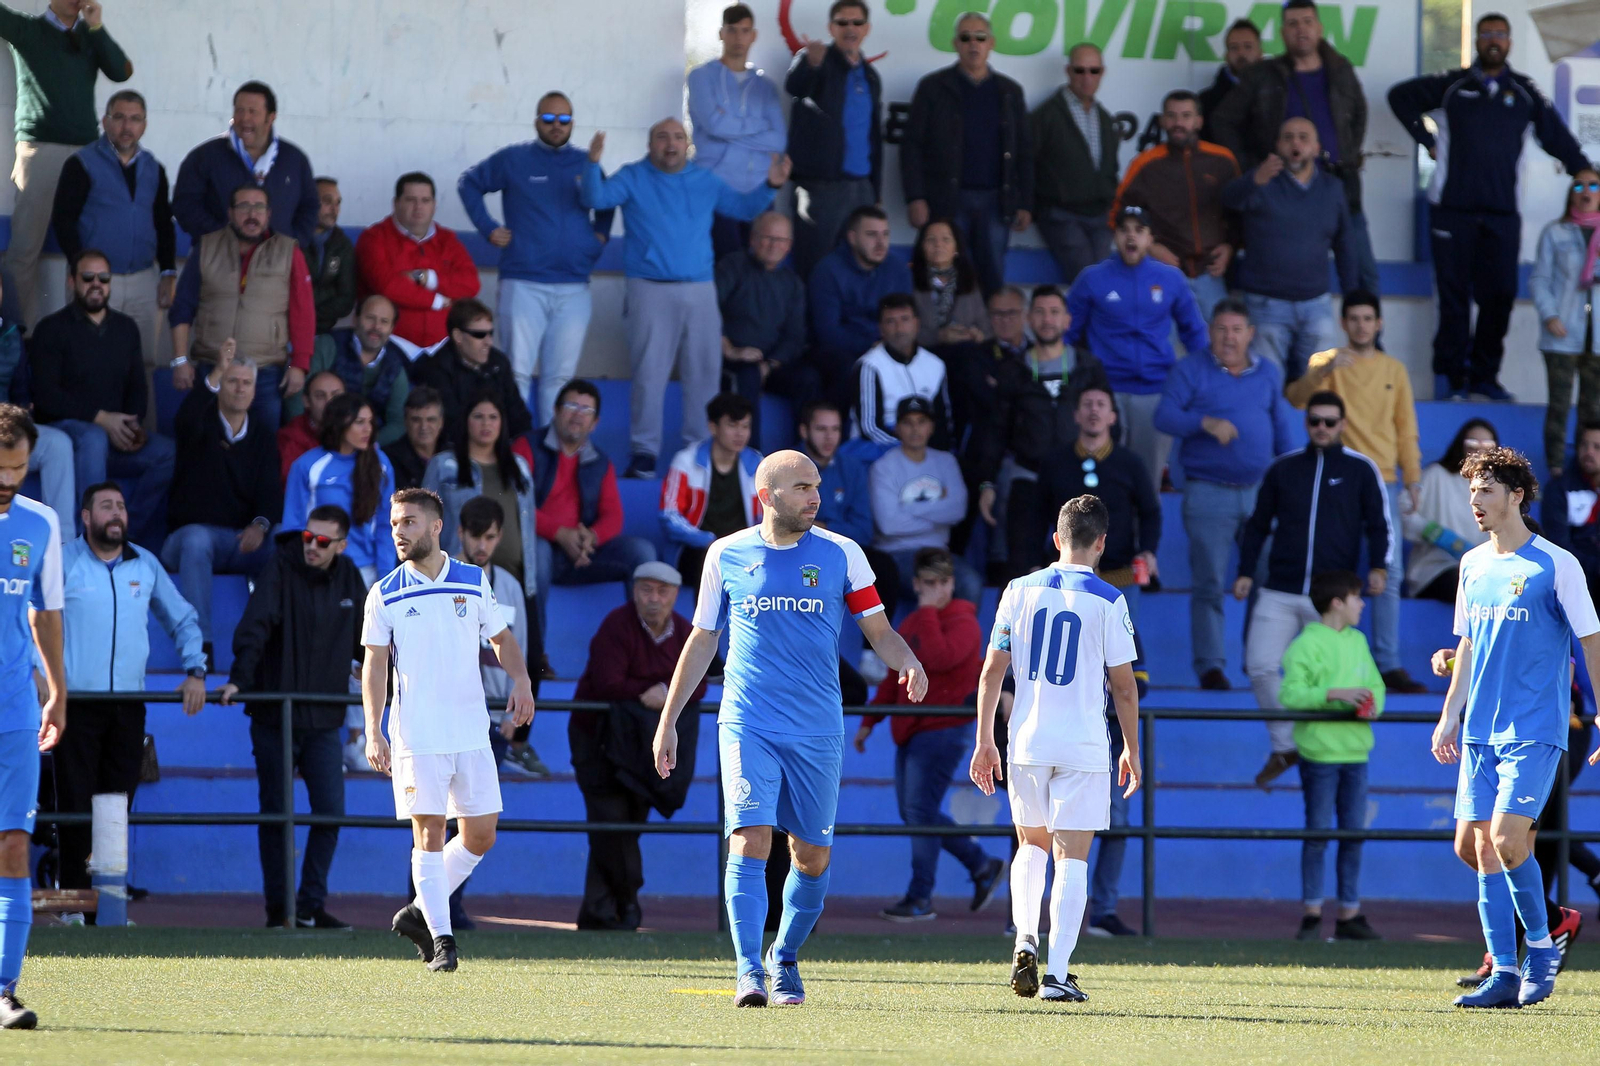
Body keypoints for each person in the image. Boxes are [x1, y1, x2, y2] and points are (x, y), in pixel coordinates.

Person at [650, 447, 927, 1007]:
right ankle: (749, 969)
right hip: (747, 720)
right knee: (750, 839)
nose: (815, 496)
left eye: (817, 486)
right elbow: (703, 639)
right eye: (802, 487)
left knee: (811, 855)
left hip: (818, 728)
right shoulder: (725, 554)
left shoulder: (843, 553)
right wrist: (669, 720)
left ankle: (786, 956)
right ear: (767, 495)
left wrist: (909, 660)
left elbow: (877, 629)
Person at [1432, 447, 1600, 1008]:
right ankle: (1503, 972)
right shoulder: (1472, 565)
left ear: (1517, 496)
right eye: (1472, 491)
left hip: (1535, 726)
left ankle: (1542, 946)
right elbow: (1470, 643)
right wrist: (1449, 714)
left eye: (1486, 491)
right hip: (1480, 729)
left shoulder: (1556, 564)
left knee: (1505, 841)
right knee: (1472, 848)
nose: (1475, 502)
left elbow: (1592, 642)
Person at [969, 494, 1142, 1003]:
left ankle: (1024, 937)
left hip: (1026, 738)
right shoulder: (1109, 599)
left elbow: (991, 673)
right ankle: (1058, 973)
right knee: (1072, 857)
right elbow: (1125, 687)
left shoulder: (1018, 590)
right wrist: (1131, 747)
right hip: (1084, 743)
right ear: (1102, 543)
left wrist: (985, 741)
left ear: (1056, 539)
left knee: (1031, 846)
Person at [363, 487, 536, 973]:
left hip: (471, 732)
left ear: (437, 527)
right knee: (430, 833)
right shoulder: (385, 593)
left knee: (482, 835)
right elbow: (374, 668)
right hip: (417, 735)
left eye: (410, 522)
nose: (400, 531)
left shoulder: (472, 579)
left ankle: (421, 909)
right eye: (395, 523)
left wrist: (521, 681)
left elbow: (501, 638)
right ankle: (442, 940)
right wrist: (373, 730)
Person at [1389, 14, 1591, 401]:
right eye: (1487, 34)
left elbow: (1559, 139)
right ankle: (1451, 380)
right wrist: (1424, 138)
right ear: (1476, 41)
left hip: (1501, 214)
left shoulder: (1525, 94)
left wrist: (1583, 170)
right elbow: (1399, 97)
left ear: (1510, 42)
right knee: (1453, 298)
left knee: (1499, 296)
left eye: (1500, 34)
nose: (1493, 40)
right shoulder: (1451, 86)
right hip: (1452, 211)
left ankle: (1485, 379)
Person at [581, 118, 787, 478]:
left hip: (700, 289)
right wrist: (593, 163)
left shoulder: (703, 180)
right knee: (649, 374)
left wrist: (771, 184)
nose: (671, 144)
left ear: (687, 144)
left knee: (704, 373)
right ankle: (644, 452)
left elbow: (744, 209)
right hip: (649, 287)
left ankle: (698, 452)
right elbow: (595, 197)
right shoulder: (633, 176)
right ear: (650, 144)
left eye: (678, 137)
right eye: (662, 137)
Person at [219, 502, 366, 929]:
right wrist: (237, 680)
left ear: (340, 544)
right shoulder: (280, 568)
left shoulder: (351, 578)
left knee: (330, 814)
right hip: (273, 719)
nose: (312, 546)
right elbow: (255, 626)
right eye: (307, 537)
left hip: (324, 722)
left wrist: (398, 677)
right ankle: (279, 911)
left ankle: (309, 907)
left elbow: (368, 644)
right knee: (277, 817)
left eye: (322, 541)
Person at [58, 481, 204, 909]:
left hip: (127, 707)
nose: (116, 513)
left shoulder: (146, 563)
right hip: (75, 705)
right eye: (106, 506)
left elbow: (184, 619)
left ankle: (108, 907)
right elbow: (33, 620)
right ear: (86, 517)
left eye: (121, 505)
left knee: (115, 807)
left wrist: (195, 669)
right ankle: (72, 907)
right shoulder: (61, 561)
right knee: (74, 807)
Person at [1235, 392, 1390, 787]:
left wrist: (1378, 566)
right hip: (1280, 586)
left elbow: (1379, 524)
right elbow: (1257, 524)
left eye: (1329, 421)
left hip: (1332, 595)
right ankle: (1287, 745)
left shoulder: (1361, 468)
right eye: (1314, 421)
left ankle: (1320, 752)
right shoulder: (1283, 468)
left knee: (1335, 673)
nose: (1322, 428)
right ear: (1306, 424)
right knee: (1260, 665)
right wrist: (1246, 571)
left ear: (1343, 424)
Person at [1286, 292, 1425, 693]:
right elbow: (1297, 398)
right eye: (1354, 318)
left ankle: (1388, 662)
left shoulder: (1394, 369)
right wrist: (1324, 368)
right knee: (1336, 566)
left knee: (1390, 570)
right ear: (1344, 323)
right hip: (1335, 474)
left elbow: (1406, 428)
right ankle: (1327, 656)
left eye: (1369, 318)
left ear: (1379, 323)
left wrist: (1412, 476)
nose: (1362, 325)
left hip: (1383, 476)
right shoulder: (1325, 363)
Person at [857, 547, 1003, 921]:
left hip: (943, 730)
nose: (933, 590)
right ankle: (980, 866)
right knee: (916, 812)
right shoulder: (910, 624)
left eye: (941, 583)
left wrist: (925, 611)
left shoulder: (965, 623)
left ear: (952, 584)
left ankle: (923, 894)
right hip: (912, 730)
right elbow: (895, 676)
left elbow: (937, 659)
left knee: (919, 811)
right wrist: (869, 722)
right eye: (927, 583)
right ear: (917, 583)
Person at [1155, 299, 1295, 690]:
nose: (1229, 337)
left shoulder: (1268, 372)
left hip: (1261, 494)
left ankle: (1258, 660)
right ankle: (1211, 667)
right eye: (1221, 329)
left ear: (1251, 334)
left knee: (1268, 581)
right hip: (1207, 492)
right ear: (1210, 333)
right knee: (1209, 582)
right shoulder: (1190, 369)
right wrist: (1204, 422)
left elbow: (1282, 431)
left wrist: (1290, 480)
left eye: (1237, 329)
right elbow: (1163, 416)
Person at [459, 90, 615, 420]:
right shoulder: (514, 159)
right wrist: (488, 227)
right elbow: (468, 183)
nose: (556, 125)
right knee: (515, 372)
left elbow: (605, 201)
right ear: (536, 121)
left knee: (559, 379)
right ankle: (513, 450)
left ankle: (549, 452)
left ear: (572, 123)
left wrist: (597, 239)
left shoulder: (585, 163)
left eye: (563, 119)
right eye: (548, 118)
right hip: (523, 281)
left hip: (574, 287)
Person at [571, 560, 706, 930]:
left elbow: (703, 679)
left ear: (676, 596)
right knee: (611, 825)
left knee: (624, 827)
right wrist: (653, 691)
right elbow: (606, 681)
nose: (654, 598)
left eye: (662, 591)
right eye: (646, 589)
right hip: (597, 743)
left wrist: (666, 692)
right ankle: (628, 904)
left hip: (641, 748)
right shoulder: (616, 626)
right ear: (634, 591)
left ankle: (598, 913)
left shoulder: (683, 630)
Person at [1208, 0, 1374, 292]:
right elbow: (1223, 120)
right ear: (1283, 33)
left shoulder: (1340, 68)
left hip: (1339, 184)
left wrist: (1347, 153)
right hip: (1284, 191)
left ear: (1320, 28)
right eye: (1293, 23)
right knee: (1283, 275)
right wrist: (1250, 168)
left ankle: (1368, 339)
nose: (1301, 30)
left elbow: (1359, 112)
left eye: (1307, 22)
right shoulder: (1264, 74)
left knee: (1362, 273)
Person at [0, 0, 132, 330]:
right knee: (24, 249)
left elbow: (121, 71)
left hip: (86, 153)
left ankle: (82, 332)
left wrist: (96, 26)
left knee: (86, 248)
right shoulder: (29, 30)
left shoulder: (90, 35)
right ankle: (16, 336)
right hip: (40, 150)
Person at [29, 249, 174, 545]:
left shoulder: (126, 328)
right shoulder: (51, 329)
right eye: (88, 277)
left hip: (113, 438)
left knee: (166, 453)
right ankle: (89, 540)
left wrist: (131, 425)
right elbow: (45, 397)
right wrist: (101, 418)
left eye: (104, 278)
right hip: (68, 436)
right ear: (71, 281)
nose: (97, 284)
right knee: (93, 437)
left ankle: (123, 536)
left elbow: (137, 387)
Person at [1066, 205, 1207, 495]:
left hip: (1155, 394)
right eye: (1124, 230)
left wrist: (1207, 379)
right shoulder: (1092, 279)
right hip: (1106, 393)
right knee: (1099, 483)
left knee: (1147, 482)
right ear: (1114, 236)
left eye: (1139, 231)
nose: (1131, 237)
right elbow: (1066, 334)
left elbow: (1194, 333)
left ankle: (1143, 542)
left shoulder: (1171, 279)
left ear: (1150, 238)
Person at [0, 405, 65, 1030]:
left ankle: (3, 991)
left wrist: (58, 692)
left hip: (15, 712)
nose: (7, 481)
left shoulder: (40, 523)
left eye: (17, 470)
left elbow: (46, 615)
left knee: (13, 845)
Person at [1278, 570, 1384, 942]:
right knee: (1319, 833)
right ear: (1337, 602)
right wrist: (1334, 694)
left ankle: (1349, 914)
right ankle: (1311, 914)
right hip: (1319, 753)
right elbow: (1290, 695)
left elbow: (1377, 688)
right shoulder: (1304, 645)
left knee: (1353, 834)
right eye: (1356, 597)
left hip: (1356, 752)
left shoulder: (1358, 641)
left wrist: (1371, 705)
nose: (1362, 603)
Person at [973, 286, 1108, 576]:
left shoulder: (1088, 367)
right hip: (1027, 479)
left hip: (1077, 481)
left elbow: (1111, 424)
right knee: (1021, 570)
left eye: (1055, 312)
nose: (1048, 320)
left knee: (1081, 571)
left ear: (1068, 320)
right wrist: (987, 483)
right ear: (1029, 319)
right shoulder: (1012, 370)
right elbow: (995, 432)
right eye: (1040, 312)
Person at [50, 89, 176, 392]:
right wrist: (81, 267)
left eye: (134, 119)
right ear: (105, 121)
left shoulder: (153, 168)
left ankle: (136, 433)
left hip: (143, 280)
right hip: (97, 281)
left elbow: (162, 222)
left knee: (141, 364)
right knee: (86, 360)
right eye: (119, 117)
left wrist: (168, 271)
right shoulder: (82, 163)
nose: (126, 126)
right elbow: (63, 219)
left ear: (144, 125)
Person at [900, 10, 1032, 296]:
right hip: (948, 199)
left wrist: (1025, 203)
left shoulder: (1009, 92)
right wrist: (915, 197)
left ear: (992, 43)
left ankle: (989, 339)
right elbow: (911, 146)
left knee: (993, 277)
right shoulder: (933, 87)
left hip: (996, 202)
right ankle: (947, 337)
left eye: (980, 38)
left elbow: (1023, 151)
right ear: (955, 43)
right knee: (945, 274)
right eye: (966, 38)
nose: (974, 44)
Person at [166, 184, 316, 431]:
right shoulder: (206, 248)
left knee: (264, 445)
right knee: (206, 441)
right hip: (213, 367)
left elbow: (303, 313)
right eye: (244, 207)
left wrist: (299, 365)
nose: (252, 214)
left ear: (269, 215)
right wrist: (180, 360)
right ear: (230, 213)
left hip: (265, 373)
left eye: (259, 207)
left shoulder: (289, 251)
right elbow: (182, 307)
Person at [1219, 118, 1357, 381]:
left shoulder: (1333, 189)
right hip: (1266, 304)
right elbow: (1227, 200)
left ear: (1316, 148)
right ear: (1278, 146)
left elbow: (1346, 245)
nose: (1296, 143)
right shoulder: (1261, 180)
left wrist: (1352, 297)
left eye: (1304, 137)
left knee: (1318, 386)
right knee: (1267, 383)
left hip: (1316, 303)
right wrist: (1253, 180)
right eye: (1288, 137)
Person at [162, 354, 281, 660]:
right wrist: (215, 370)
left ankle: (271, 644)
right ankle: (202, 646)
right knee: (196, 539)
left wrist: (260, 524)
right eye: (232, 381)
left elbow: (269, 495)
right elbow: (185, 416)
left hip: (239, 541)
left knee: (282, 542)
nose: (240, 389)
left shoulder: (264, 437)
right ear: (219, 387)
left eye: (247, 383)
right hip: (188, 540)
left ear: (255, 390)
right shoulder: (197, 425)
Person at [528, 379, 657, 633]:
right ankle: (535, 653)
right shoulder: (527, 447)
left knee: (642, 553)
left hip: (582, 553)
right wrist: (560, 534)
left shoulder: (600, 462)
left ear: (595, 423)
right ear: (555, 411)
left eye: (586, 410)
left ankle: (642, 649)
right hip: (540, 547)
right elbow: (516, 507)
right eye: (571, 406)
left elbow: (613, 516)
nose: (578, 415)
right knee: (538, 553)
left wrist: (591, 538)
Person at [1111, 90, 1239, 320]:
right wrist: (1149, 247)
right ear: (1162, 121)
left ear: (1199, 121)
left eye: (1186, 116)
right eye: (1171, 116)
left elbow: (1240, 214)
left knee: (1222, 349)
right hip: (1161, 272)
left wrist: (1231, 246)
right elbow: (1118, 216)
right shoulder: (1145, 164)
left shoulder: (1223, 160)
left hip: (1211, 273)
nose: (1178, 123)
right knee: (1160, 350)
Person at [1037, 385, 1160, 610]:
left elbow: (1150, 512)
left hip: (1119, 577)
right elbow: (1037, 515)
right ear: (1076, 415)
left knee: (1123, 643)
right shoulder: (1055, 462)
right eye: (1087, 404)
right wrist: (1033, 562)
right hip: (1065, 578)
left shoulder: (1130, 463)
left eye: (1101, 405)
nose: (1094, 410)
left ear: (1113, 417)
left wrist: (1148, 550)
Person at [784, 0, 881, 278]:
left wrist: (875, 190)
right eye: (842, 22)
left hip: (861, 188)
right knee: (815, 267)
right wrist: (812, 66)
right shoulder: (814, 58)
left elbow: (873, 134)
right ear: (831, 28)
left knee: (859, 270)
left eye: (856, 23)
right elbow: (795, 87)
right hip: (819, 188)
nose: (850, 28)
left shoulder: (871, 75)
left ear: (867, 28)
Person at [422, 396, 538, 626]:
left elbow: (529, 526)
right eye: (479, 417)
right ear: (466, 421)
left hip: (511, 581)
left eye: (493, 417)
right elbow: (424, 522)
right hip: (457, 582)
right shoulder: (443, 465)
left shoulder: (521, 467)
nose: (486, 424)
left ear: (503, 423)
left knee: (506, 656)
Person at [688, 4, 788, 260]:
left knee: (759, 271)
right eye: (732, 30)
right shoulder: (701, 77)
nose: (738, 38)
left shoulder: (765, 86)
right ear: (721, 33)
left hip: (760, 190)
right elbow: (713, 125)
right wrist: (758, 124)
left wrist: (729, 127)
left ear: (753, 35)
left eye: (745, 31)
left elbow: (778, 139)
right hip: (716, 189)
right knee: (723, 268)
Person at [172, 80, 318, 248]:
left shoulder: (294, 159)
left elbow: (310, 206)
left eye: (252, 112)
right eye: (239, 110)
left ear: (271, 118)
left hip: (276, 262)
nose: (244, 118)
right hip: (218, 260)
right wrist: (221, 239)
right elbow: (184, 204)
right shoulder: (204, 156)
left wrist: (293, 242)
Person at [453, 496, 538, 785]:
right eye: (476, 536)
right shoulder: (438, 583)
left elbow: (519, 649)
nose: (482, 546)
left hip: (494, 717)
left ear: (500, 536)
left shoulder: (511, 587)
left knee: (480, 819)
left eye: (489, 537)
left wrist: (510, 715)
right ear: (460, 532)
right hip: (448, 714)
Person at [870, 396, 980, 605]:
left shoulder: (946, 462)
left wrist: (907, 508)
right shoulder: (883, 468)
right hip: (897, 554)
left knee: (971, 584)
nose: (915, 429)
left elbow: (957, 510)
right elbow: (888, 525)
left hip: (939, 552)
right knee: (930, 585)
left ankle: (959, 639)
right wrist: (938, 513)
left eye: (922, 421)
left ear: (931, 427)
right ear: (897, 428)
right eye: (908, 422)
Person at [354, 172, 479, 350]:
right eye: (411, 200)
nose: (418, 207)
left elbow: (471, 284)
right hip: (390, 345)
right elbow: (387, 286)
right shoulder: (374, 238)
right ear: (396, 203)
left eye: (425, 200)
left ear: (434, 205)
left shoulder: (448, 240)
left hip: (442, 345)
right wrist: (438, 301)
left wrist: (428, 278)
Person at [282, 394, 398, 584]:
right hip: (319, 570)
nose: (367, 429)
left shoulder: (381, 464)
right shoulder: (307, 466)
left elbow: (386, 524)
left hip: (367, 571)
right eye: (359, 422)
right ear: (339, 424)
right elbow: (293, 526)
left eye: (370, 422)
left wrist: (385, 575)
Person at [1031, 43, 1119, 284]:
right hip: (1061, 216)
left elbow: (1110, 170)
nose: (1087, 77)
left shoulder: (1104, 118)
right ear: (1068, 71)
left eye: (1094, 71)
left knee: (1102, 281)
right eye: (1080, 70)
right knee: (1089, 281)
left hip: (1100, 217)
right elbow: (1026, 165)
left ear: (1102, 73)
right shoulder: (1046, 116)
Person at [797, 400, 894, 615]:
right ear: (804, 431)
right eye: (821, 429)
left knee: (884, 567)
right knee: (810, 573)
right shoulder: (789, 466)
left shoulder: (853, 467)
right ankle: (812, 646)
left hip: (841, 549)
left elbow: (863, 531)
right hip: (801, 551)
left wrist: (822, 526)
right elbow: (789, 525)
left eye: (835, 429)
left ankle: (871, 649)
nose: (829, 437)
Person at [1531, 169, 1600, 473]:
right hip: (1562, 333)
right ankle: (1557, 472)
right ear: (1571, 192)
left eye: (1593, 185)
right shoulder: (1555, 232)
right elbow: (1540, 280)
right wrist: (1550, 315)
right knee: (1559, 408)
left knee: (1593, 410)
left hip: (1596, 336)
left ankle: (1587, 474)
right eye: (1580, 185)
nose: (1586, 191)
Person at [808, 206, 913, 404]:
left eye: (885, 234)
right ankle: (841, 432)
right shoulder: (827, 271)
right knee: (850, 368)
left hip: (887, 344)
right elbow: (828, 333)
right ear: (852, 238)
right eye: (872, 235)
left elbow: (905, 318)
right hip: (842, 349)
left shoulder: (898, 269)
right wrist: (870, 346)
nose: (881, 243)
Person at [715, 211, 810, 419]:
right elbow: (708, 311)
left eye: (781, 240)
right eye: (768, 238)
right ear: (753, 238)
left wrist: (770, 364)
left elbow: (795, 335)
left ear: (789, 245)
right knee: (749, 376)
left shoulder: (792, 283)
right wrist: (730, 350)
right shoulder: (731, 266)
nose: (774, 245)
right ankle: (753, 451)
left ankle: (799, 450)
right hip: (732, 361)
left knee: (808, 378)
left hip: (771, 365)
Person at [660, 393, 761, 583]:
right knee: (711, 558)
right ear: (713, 427)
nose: (740, 433)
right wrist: (708, 541)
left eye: (745, 426)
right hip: (696, 549)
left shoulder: (758, 464)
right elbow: (669, 516)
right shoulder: (686, 461)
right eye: (732, 425)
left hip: (743, 550)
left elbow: (766, 517)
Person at [0, 275, 73, 533]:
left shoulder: (11, 334)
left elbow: (20, 392)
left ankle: (62, 545)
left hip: (6, 427)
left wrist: (18, 420)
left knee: (58, 445)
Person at [408, 298, 533, 448]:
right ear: (458, 336)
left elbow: (518, 413)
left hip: (500, 448)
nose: (488, 342)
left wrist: (523, 447)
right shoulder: (437, 370)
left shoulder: (498, 362)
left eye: (490, 334)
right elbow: (450, 425)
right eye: (480, 335)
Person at [289, 296, 408, 446]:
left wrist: (365, 443)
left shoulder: (396, 364)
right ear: (355, 319)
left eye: (384, 322)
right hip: (315, 440)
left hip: (369, 446)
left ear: (392, 328)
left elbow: (398, 423)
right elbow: (298, 395)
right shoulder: (329, 345)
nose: (376, 326)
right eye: (370, 318)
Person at [1406, 419, 1495, 603]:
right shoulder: (1436, 474)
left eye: (1487, 445)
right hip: (1436, 569)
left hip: (1486, 568)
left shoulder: (1499, 486)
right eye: (1472, 443)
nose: (1479, 450)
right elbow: (1403, 510)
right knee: (1470, 583)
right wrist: (1432, 532)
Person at [853, 293, 952, 453]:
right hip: (882, 447)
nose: (899, 329)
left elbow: (943, 420)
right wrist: (909, 449)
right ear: (881, 328)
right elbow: (870, 428)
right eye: (890, 321)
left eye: (905, 319)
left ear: (916, 323)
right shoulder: (870, 365)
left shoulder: (935, 364)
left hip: (925, 443)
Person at [909, 219, 990, 351]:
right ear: (921, 247)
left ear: (956, 248)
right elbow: (904, 331)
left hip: (964, 352)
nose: (938, 244)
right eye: (931, 239)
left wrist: (977, 334)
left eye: (945, 239)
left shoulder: (969, 281)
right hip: (923, 353)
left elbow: (985, 326)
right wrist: (938, 336)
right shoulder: (909, 280)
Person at [1544, 422, 1600, 594]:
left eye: (1597, 447)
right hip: (1575, 581)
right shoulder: (1558, 489)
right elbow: (1559, 546)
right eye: (1584, 445)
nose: (1589, 452)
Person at [1198, 18, 1261, 141]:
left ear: (1260, 53)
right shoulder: (1205, 102)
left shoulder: (1278, 95)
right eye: (1234, 48)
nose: (1241, 53)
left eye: (1248, 47)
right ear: (1226, 55)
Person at [277, 370, 343, 483]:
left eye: (335, 395)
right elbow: (292, 485)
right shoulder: (290, 438)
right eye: (320, 396)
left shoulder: (358, 432)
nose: (329, 402)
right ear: (307, 401)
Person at [309, 177, 357, 333]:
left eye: (338, 203)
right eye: (327, 201)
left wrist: (308, 315)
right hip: (284, 331)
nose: (334, 209)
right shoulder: (290, 240)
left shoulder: (342, 244)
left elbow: (346, 300)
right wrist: (329, 292)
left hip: (324, 330)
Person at [384, 386, 444, 491]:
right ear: (405, 422)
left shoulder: (454, 455)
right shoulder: (389, 459)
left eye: (431, 420)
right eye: (416, 420)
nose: (424, 427)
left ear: (441, 422)